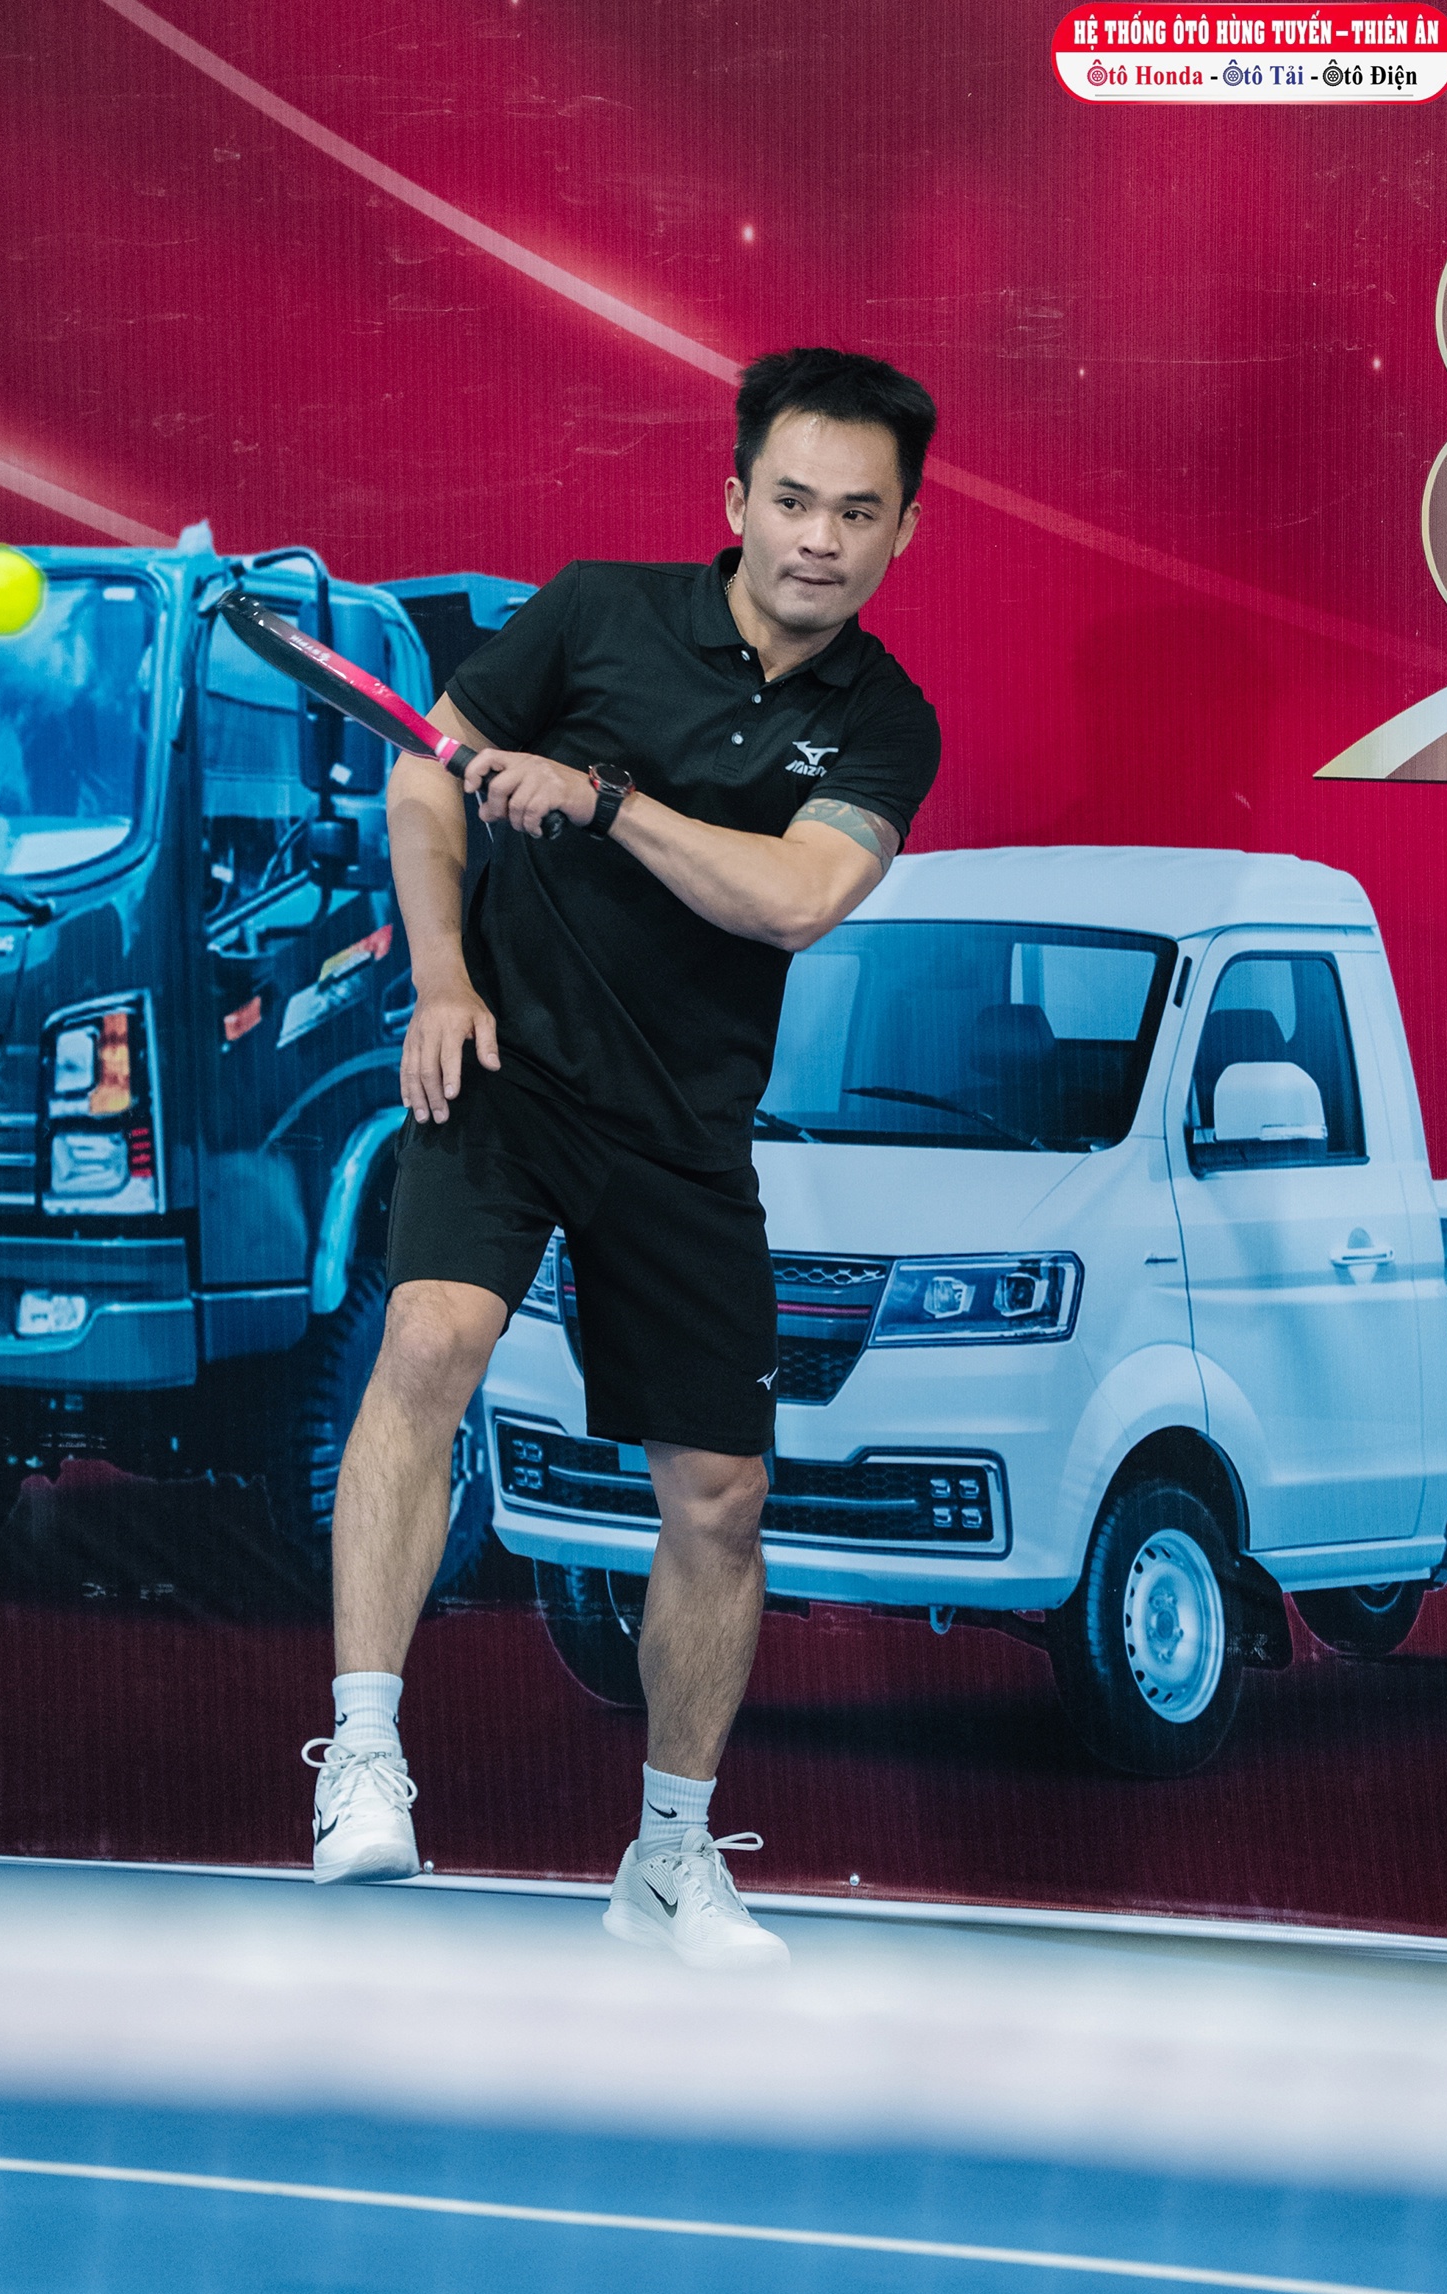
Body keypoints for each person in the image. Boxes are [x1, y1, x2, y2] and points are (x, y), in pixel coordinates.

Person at [305, 346, 941, 1968]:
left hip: (681, 1132)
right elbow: (425, 779)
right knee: (428, 1341)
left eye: (857, 512)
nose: (819, 538)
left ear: (901, 533)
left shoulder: (888, 722)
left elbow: (794, 898)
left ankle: (667, 1858)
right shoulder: (592, 612)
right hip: (506, 1069)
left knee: (721, 1502)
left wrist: (603, 801)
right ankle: (362, 1754)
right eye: (791, 499)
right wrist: (441, 980)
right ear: (736, 500)